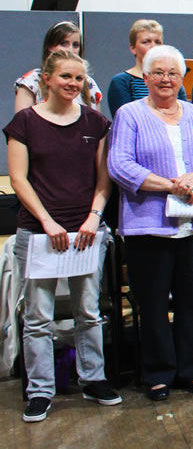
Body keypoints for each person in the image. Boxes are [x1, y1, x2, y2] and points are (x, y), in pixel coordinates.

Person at [107, 45, 193, 402]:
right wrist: (171, 185)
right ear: (145, 78)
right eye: (157, 72)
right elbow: (119, 165)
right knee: (154, 303)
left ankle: (191, 370)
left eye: (173, 73)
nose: (166, 79)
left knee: (191, 301)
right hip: (149, 226)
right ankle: (158, 373)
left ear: (182, 78)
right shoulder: (130, 114)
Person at [7, 50, 120, 422]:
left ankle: (94, 379)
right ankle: (40, 390)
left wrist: (93, 218)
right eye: (65, 77)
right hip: (40, 234)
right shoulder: (25, 122)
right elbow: (19, 179)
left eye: (79, 79)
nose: (73, 85)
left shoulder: (96, 122)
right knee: (38, 317)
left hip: (85, 232)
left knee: (88, 311)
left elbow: (103, 181)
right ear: (47, 80)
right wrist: (47, 221)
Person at [15, 21, 102, 112]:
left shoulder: (89, 83)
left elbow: (96, 123)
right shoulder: (31, 81)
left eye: (75, 45)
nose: (70, 50)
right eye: (64, 43)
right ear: (50, 46)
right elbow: (22, 122)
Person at [107, 19, 187, 115]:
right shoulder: (122, 81)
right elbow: (123, 118)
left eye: (157, 42)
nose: (153, 46)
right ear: (133, 48)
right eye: (146, 42)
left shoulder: (171, 81)